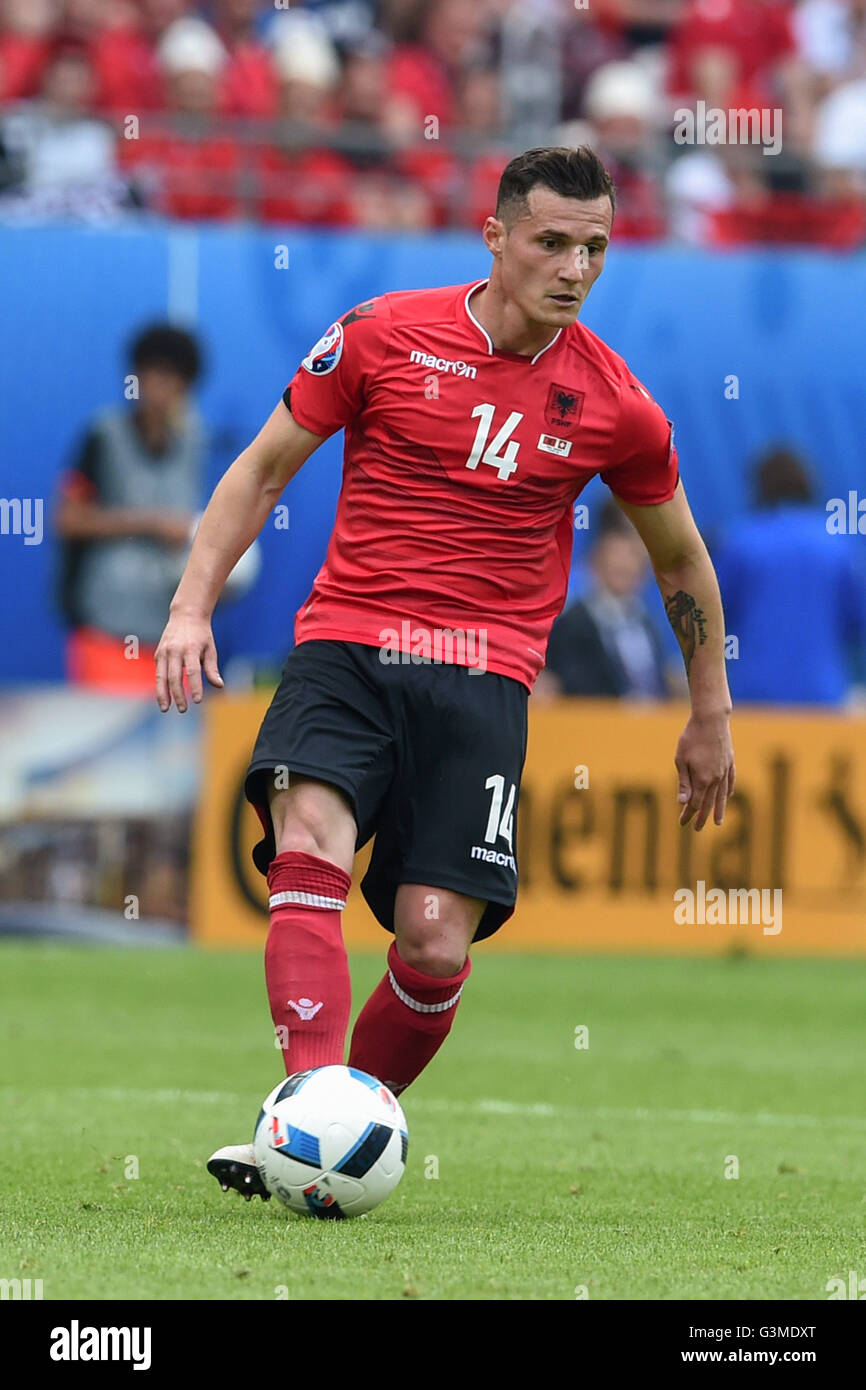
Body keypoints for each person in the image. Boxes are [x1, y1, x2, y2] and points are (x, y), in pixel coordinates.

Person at [154, 145, 735, 1204]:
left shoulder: (616, 405)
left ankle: (335, 1128)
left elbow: (679, 559)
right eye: (552, 241)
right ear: (497, 237)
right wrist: (191, 604)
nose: (574, 266)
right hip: (349, 646)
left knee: (427, 943)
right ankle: (302, 1111)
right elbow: (260, 469)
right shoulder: (382, 333)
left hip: (483, 680)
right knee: (307, 847)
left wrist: (709, 711)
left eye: (595, 247)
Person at [56, 324, 204, 693]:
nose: (163, 390)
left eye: (176, 380)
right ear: (135, 377)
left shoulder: (193, 446)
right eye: (156, 375)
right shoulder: (102, 436)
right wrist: (151, 523)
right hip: (107, 631)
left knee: (170, 747)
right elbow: (68, 519)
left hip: (172, 635)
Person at [712, 446, 866, 705]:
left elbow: (711, 614)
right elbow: (857, 620)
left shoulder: (740, 542)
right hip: (821, 696)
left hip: (753, 697)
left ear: (760, 486)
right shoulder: (839, 546)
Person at [535, 501, 675, 700]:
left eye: (635, 553)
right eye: (619, 551)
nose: (627, 563)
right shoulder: (571, 625)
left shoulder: (648, 625)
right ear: (598, 552)